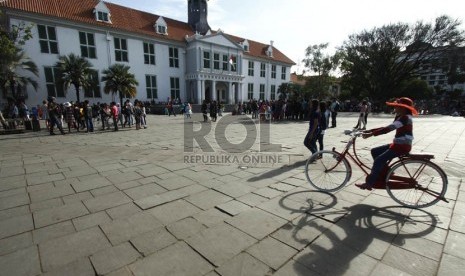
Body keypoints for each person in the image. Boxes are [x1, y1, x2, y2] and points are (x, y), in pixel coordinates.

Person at [356, 97, 418, 191]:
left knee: (378, 160)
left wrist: (371, 134)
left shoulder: (405, 118)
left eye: (397, 107)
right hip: (398, 144)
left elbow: (389, 129)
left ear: (403, 108)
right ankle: (387, 171)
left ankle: (369, 183)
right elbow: (386, 127)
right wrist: (369, 131)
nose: (395, 108)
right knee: (375, 151)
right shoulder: (400, 117)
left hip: (402, 146)